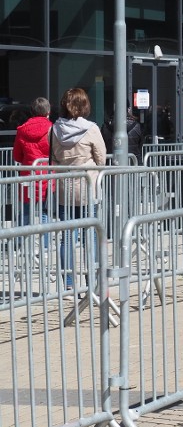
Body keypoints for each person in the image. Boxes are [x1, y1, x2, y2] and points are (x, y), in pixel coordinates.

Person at [50, 88, 107, 290]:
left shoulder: (55, 129)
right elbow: (101, 157)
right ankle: (91, 280)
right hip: (88, 187)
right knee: (89, 235)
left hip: (66, 187)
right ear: (84, 105)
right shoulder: (91, 128)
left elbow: (53, 159)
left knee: (67, 237)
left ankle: (68, 283)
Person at [13, 97, 53, 230]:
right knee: (45, 212)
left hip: (28, 175)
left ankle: (20, 243)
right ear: (48, 111)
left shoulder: (22, 130)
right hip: (47, 176)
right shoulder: (52, 129)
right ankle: (45, 247)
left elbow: (17, 156)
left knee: (25, 211)